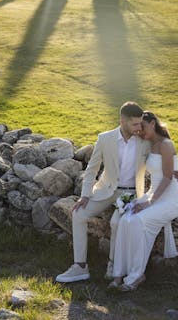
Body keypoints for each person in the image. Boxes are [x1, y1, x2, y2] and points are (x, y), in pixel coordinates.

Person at [56, 101, 151, 283]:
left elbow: (158, 164)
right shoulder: (105, 138)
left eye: (140, 123)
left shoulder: (144, 141)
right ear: (122, 121)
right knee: (78, 213)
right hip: (105, 190)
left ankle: (113, 264)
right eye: (135, 124)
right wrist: (85, 195)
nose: (139, 127)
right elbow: (92, 169)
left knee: (117, 223)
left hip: (131, 193)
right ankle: (80, 266)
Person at [109, 111, 178, 291]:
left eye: (141, 127)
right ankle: (119, 273)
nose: (139, 131)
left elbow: (167, 178)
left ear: (152, 123)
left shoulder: (166, 144)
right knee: (125, 219)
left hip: (169, 199)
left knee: (138, 221)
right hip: (154, 194)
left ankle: (136, 276)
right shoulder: (149, 144)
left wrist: (149, 202)